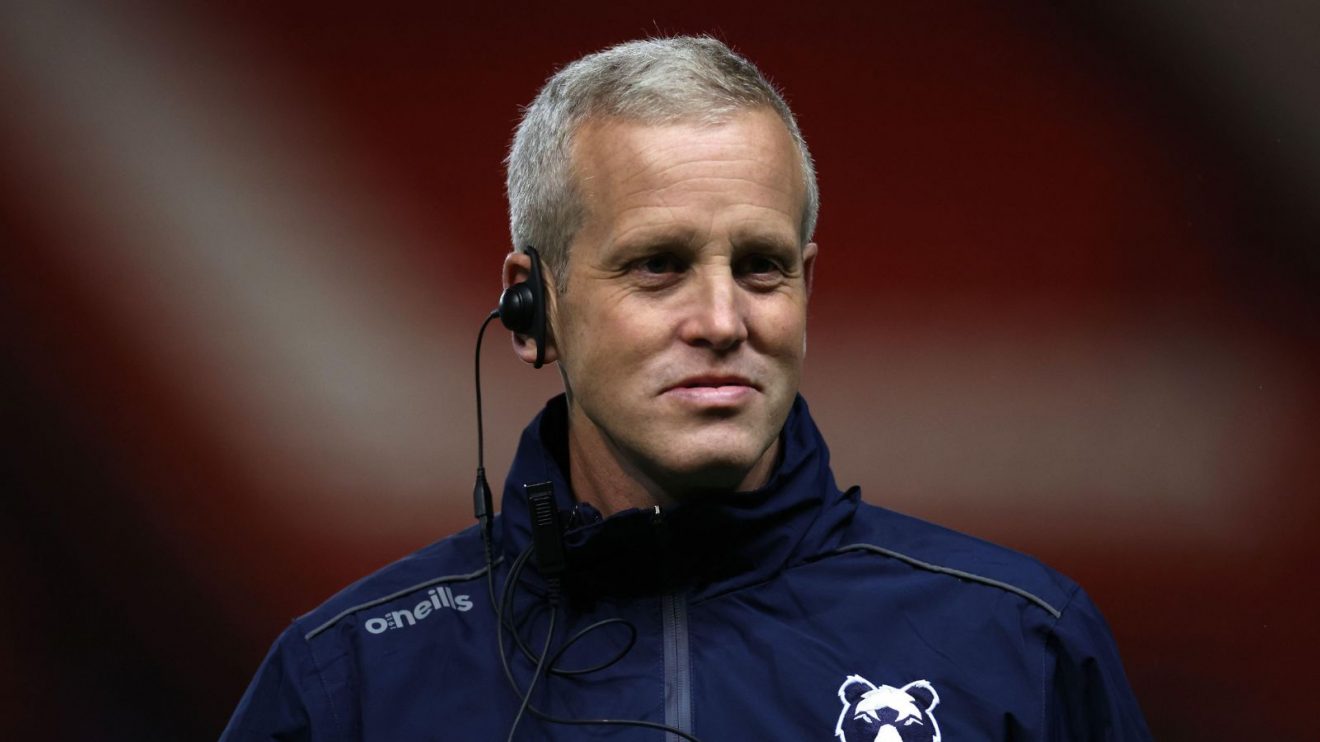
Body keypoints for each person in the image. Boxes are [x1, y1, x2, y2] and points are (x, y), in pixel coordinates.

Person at [222, 36, 1150, 741]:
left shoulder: (1022, 646)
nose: (721, 318)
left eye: (760, 266)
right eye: (658, 265)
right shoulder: (351, 679)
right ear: (532, 303)